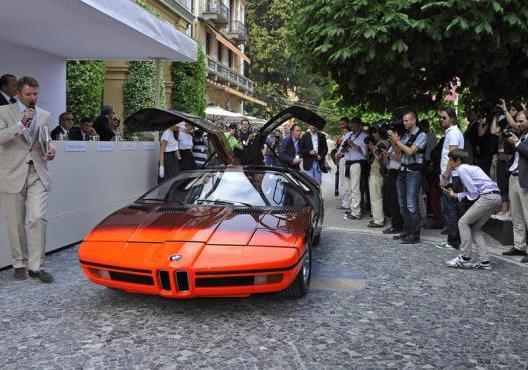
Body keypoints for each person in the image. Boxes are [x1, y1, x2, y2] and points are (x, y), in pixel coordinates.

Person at [0, 76, 56, 282]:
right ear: (18, 94)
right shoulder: (3, 112)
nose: (33, 98)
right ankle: (19, 263)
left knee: (38, 217)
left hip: (37, 172)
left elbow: (46, 140)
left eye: (36, 93)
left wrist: (51, 151)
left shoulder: (45, 115)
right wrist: (21, 124)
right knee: (15, 222)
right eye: (28, 94)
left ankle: (36, 266)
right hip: (11, 173)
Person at [444, 150, 501, 270]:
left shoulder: (461, 169)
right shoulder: (473, 168)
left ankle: (465, 258)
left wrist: (459, 196)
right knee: (474, 229)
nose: (449, 163)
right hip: (496, 197)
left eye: (450, 160)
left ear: (458, 161)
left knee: (463, 222)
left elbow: (473, 193)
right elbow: (474, 191)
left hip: (487, 197)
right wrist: (456, 195)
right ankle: (484, 261)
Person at [387, 110, 427, 244]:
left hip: (413, 173)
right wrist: (394, 141)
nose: (404, 123)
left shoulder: (421, 135)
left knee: (411, 205)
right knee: (402, 205)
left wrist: (397, 140)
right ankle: (407, 231)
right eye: (403, 121)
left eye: (406, 121)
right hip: (402, 171)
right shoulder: (404, 136)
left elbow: (410, 151)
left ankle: (415, 235)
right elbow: (398, 153)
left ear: (414, 120)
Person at [437, 108, 465, 249]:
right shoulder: (451, 132)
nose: (441, 120)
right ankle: (453, 239)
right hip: (452, 176)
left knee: (450, 210)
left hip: (451, 177)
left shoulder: (453, 133)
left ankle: (453, 241)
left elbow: (452, 157)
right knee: (451, 209)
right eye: (440, 118)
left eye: (444, 117)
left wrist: (445, 176)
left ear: (452, 118)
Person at [502, 110, 528, 262]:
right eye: (517, 121)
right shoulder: (521, 135)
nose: (518, 124)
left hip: (525, 180)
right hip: (514, 177)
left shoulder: (522, 138)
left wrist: (517, 143)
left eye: (521, 121)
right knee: (516, 215)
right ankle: (519, 246)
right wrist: (510, 140)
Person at [338, 117, 366, 220]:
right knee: (347, 187)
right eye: (352, 126)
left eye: (355, 126)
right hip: (347, 162)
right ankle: (351, 207)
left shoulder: (363, 136)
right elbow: (341, 147)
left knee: (355, 188)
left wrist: (354, 145)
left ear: (359, 126)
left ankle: (356, 212)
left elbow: (365, 153)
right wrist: (339, 152)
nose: (353, 128)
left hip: (357, 163)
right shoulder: (348, 134)